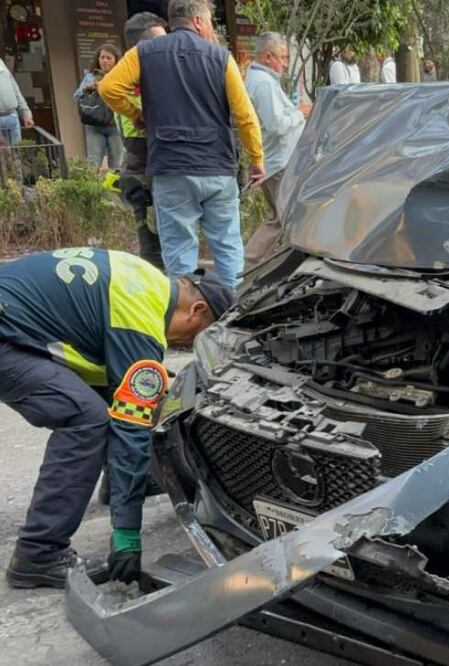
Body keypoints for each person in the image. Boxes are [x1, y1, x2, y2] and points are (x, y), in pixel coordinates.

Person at [1, 248, 234, 588]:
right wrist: (126, 534)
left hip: (13, 320)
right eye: (200, 333)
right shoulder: (140, 320)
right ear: (197, 309)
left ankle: (115, 483)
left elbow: (116, 385)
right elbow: (130, 426)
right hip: (7, 333)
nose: (188, 343)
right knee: (85, 418)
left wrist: (128, 482)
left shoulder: (142, 279)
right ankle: (39, 553)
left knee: (114, 391)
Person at [99, 0, 264, 290]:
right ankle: (234, 314)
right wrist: (256, 160)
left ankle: (187, 320)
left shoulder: (144, 52)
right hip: (217, 167)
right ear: (198, 21)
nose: (212, 27)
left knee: (179, 256)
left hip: (170, 168)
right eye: (211, 20)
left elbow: (108, 88)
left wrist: (137, 114)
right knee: (227, 248)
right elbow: (244, 115)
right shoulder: (220, 58)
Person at [243, 31, 310, 270]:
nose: (284, 63)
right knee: (284, 219)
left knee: (281, 219)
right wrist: (299, 113)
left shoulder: (264, 80)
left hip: (276, 162)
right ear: (268, 56)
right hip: (278, 164)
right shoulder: (262, 84)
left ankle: (257, 266)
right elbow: (276, 125)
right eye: (282, 57)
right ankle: (249, 266)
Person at [114, 11, 168, 270]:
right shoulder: (130, 77)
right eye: (162, 39)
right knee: (153, 248)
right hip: (143, 173)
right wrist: (139, 115)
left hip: (150, 171)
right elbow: (136, 134)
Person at [75, 44, 124, 171]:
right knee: (93, 162)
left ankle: (116, 189)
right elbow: (77, 96)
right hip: (94, 125)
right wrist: (87, 88)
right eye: (102, 57)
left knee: (117, 163)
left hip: (115, 125)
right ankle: (93, 190)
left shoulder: (121, 75)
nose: (104, 61)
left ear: (115, 60)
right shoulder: (91, 76)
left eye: (108, 58)